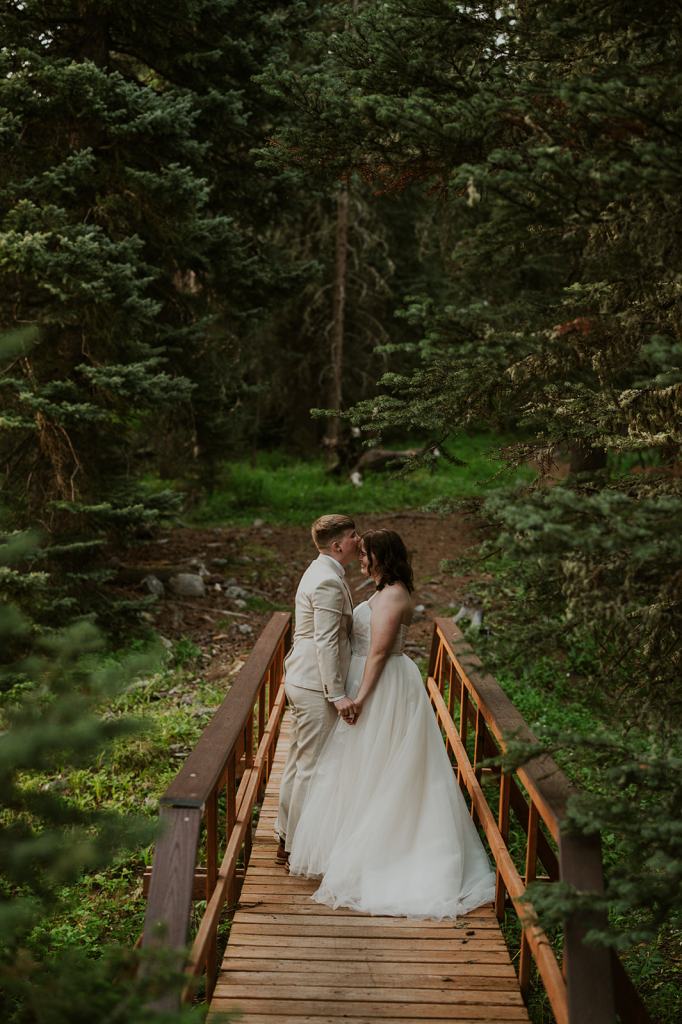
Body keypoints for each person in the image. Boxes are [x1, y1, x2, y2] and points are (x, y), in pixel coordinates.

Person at [288, 529, 496, 918]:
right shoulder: (383, 590)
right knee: (365, 766)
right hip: (367, 679)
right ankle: (353, 843)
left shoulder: (395, 594)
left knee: (386, 765)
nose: (361, 561)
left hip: (382, 687)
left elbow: (381, 652)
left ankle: (386, 852)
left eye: (366, 555)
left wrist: (360, 699)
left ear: (383, 557)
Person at [274, 514, 360, 864]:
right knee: (311, 764)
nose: (360, 539)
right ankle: (296, 847)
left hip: (304, 677)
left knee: (298, 759)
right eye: (354, 536)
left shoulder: (322, 571)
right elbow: (325, 641)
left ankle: (286, 834)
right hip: (314, 683)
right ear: (338, 545)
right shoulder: (326, 580)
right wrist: (337, 694)